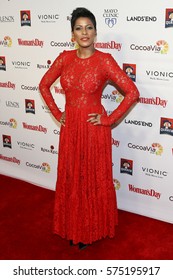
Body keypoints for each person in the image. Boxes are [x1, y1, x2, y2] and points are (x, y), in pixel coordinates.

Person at [39, 7, 139, 250]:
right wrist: (58, 113)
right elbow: (43, 86)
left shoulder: (104, 60)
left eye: (89, 27)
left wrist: (108, 119)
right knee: (73, 177)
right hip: (71, 127)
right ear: (72, 34)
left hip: (94, 130)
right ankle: (72, 227)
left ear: (95, 32)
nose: (84, 32)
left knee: (90, 177)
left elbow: (132, 92)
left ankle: (90, 229)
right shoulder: (64, 58)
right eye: (78, 28)